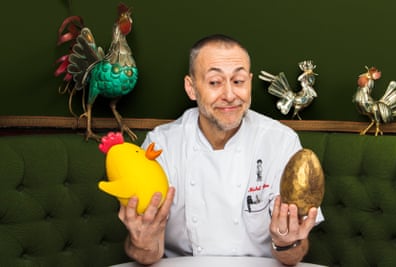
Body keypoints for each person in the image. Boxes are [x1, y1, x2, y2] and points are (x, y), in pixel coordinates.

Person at [118, 34, 324, 266]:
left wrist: (287, 243)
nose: (229, 95)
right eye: (215, 82)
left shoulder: (280, 142)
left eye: (238, 81)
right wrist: (143, 242)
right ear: (191, 87)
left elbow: (294, 255)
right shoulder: (161, 146)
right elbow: (145, 255)